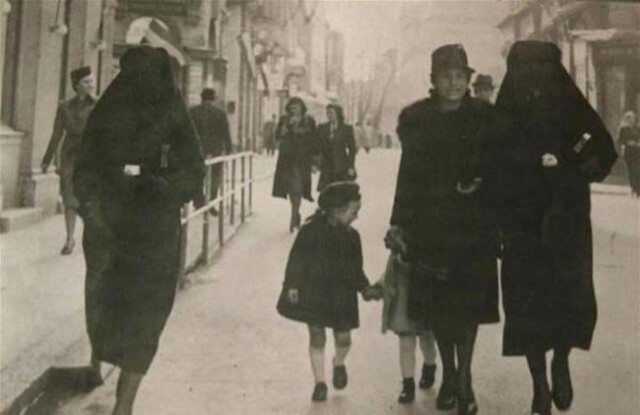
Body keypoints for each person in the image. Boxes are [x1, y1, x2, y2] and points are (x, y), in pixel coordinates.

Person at [73, 46, 205, 415]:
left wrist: (162, 185)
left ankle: (124, 405)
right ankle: (101, 363)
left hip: (156, 233)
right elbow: (83, 169)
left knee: (148, 316)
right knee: (107, 314)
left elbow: (195, 169)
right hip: (109, 231)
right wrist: (91, 208)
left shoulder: (173, 113)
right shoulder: (108, 112)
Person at [495, 41, 617, 415]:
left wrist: (568, 165)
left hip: (566, 222)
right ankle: (538, 385)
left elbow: (603, 150)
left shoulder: (570, 103)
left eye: (541, 68)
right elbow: (488, 161)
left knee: (568, 297)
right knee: (526, 302)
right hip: (521, 224)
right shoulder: (504, 113)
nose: (533, 78)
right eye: (524, 69)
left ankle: (560, 360)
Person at [387, 44, 506, 415]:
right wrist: (398, 223)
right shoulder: (418, 120)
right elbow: (406, 177)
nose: (453, 83)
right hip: (430, 227)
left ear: (469, 80)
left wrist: (482, 184)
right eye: (445, 76)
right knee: (438, 309)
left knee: (468, 308)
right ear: (433, 81)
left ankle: (463, 380)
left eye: (459, 76)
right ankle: (450, 374)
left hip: (474, 226)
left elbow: (502, 170)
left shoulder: (486, 117)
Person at [276, 182, 378, 402]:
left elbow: (356, 269)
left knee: (344, 339)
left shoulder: (352, 237)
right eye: (354, 212)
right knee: (316, 334)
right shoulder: (309, 231)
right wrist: (292, 285)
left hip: (342, 295)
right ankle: (320, 383)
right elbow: (296, 261)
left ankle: (338, 362)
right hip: (314, 292)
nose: (356, 217)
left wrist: (364, 288)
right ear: (337, 210)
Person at [41, 66, 96, 255]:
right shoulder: (65, 107)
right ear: (77, 85)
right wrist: (46, 160)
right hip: (70, 157)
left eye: (92, 80)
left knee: (89, 199)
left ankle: (92, 237)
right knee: (69, 198)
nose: (92, 84)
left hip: (91, 157)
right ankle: (70, 238)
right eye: (87, 82)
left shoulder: (98, 104)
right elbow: (56, 134)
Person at [376, 246, 438, 404]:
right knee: (406, 342)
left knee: (427, 339)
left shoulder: (425, 240)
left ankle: (430, 364)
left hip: (424, 294)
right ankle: (408, 383)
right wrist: (380, 285)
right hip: (403, 297)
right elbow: (390, 271)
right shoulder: (397, 246)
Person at [272, 97, 317, 232]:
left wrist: (315, 161)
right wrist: (284, 130)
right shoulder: (284, 120)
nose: (293, 109)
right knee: (292, 188)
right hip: (287, 160)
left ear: (301, 108)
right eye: (291, 107)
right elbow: (277, 137)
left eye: (296, 107)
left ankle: (294, 214)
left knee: (298, 187)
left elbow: (314, 140)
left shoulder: (309, 121)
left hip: (302, 160)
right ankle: (295, 214)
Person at [190, 88, 232, 216]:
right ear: (213, 99)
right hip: (215, 150)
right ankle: (212, 203)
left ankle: (199, 202)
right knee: (215, 177)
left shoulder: (192, 112)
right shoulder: (220, 113)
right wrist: (229, 148)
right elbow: (226, 133)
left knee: (197, 177)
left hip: (197, 150)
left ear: (201, 97)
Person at [316, 104, 357, 191]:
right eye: (327, 113)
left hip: (341, 166)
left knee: (341, 192)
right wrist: (315, 163)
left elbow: (352, 149)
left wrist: (351, 166)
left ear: (338, 114)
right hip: (326, 166)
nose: (329, 116)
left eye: (331, 113)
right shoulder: (322, 128)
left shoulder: (346, 129)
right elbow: (317, 147)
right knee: (326, 192)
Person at [618, 111, 640, 197]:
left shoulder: (638, 128)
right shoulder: (623, 129)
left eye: (632, 118)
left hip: (638, 152)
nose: (631, 120)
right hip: (628, 153)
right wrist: (627, 143)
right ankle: (633, 188)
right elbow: (620, 140)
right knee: (631, 171)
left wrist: (637, 143)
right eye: (628, 118)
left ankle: (638, 189)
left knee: (637, 171)